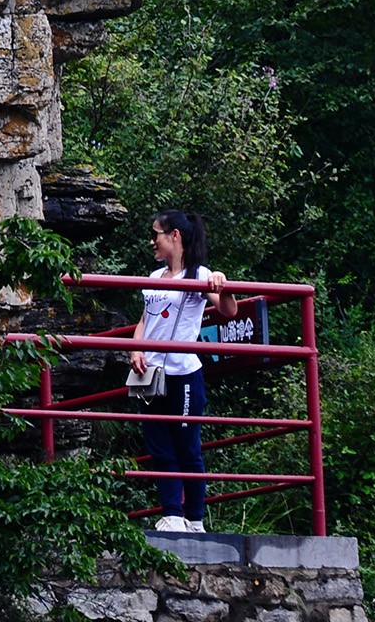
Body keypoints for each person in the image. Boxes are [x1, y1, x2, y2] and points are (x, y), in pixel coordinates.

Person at [130, 209, 236, 533]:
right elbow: (145, 321)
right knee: (159, 445)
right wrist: (135, 348)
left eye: (156, 234)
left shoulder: (198, 274)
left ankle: (195, 520)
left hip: (184, 373)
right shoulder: (152, 278)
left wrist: (223, 284)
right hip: (151, 374)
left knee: (187, 445)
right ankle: (172, 514)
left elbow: (229, 311)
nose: (152, 241)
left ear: (174, 236)